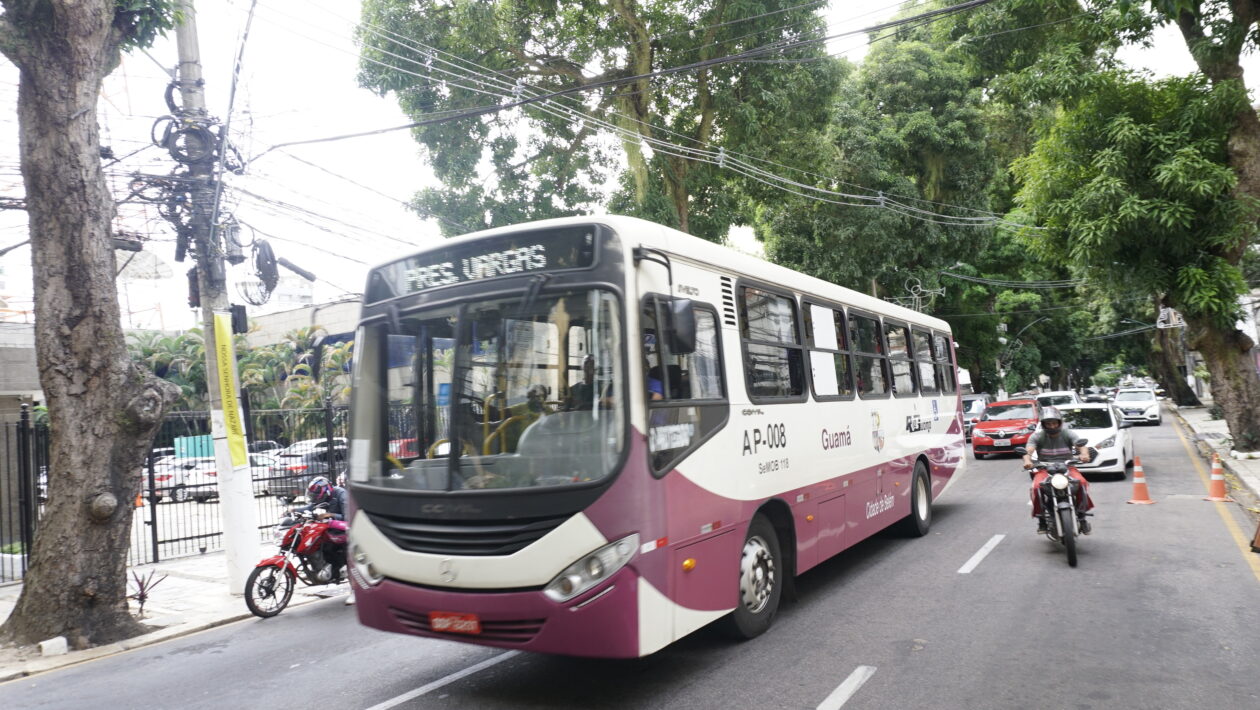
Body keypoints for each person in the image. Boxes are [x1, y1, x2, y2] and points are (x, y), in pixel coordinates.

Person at [1022, 406, 1094, 533]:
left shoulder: (1068, 433)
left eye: (1054, 423)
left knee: (1081, 483)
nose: (1052, 426)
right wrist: (1027, 461)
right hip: (1045, 468)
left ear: (1059, 423)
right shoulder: (1037, 436)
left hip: (1067, 467)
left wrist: (1084, 454)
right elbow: (1029, 451)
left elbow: (1081, 446)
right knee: (1036, 488)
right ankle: (1042, 520)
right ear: (1043, 425)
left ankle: (1082, 518)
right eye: (1048, 423)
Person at [293, 476, 351, 593]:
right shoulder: (321, 498)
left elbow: (348, 517)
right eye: (312, 496)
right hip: (329, 529)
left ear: (325, 492)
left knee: (348, 557)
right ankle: (320, 568)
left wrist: (330, 515)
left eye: (316, 496)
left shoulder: (341, 494)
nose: (314, 498)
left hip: (344, 530)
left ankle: (353, 587)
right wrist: (293, 510)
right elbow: (310, 507)